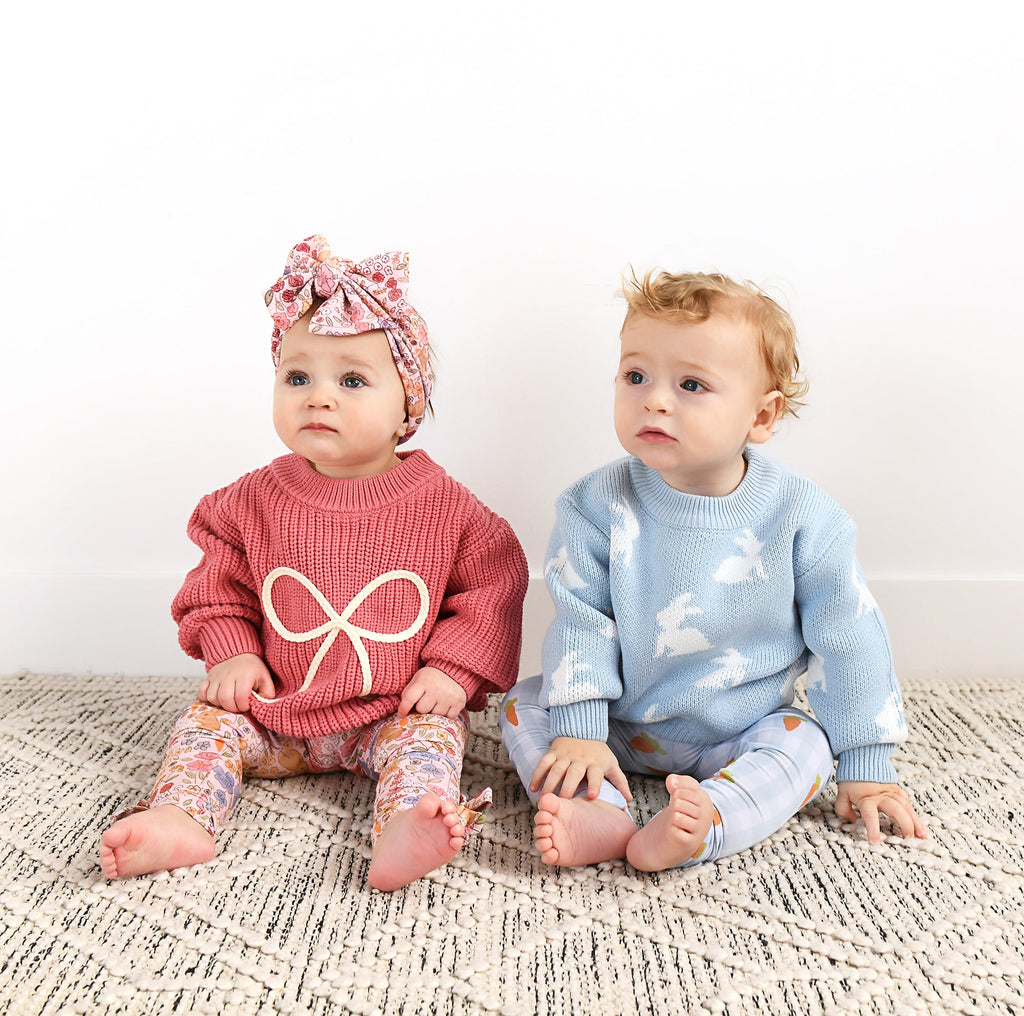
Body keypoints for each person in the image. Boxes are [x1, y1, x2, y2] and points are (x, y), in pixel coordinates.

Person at [100, 235, 528, 891]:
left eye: (351, 381)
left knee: (431, 741)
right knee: (204, 725)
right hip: (273, 710)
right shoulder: (252, 500)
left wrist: (453, 668)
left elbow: (493, 586)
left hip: (390, 712)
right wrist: (233, 652)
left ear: (407, 408)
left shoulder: (448, 508)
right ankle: (181, 816)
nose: (318, 397)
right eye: (297, 377)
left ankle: (405, 828)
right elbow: (218, 587)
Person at [499, 268, 927, 872]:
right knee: (526, 704)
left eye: (692, 384)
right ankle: (598, 807)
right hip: (618, 722)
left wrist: (866, 763)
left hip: (741, 728)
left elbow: (848, 636)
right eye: (635, 376)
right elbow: (582, 622)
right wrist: (582, 732)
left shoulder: (804, 517)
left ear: (761, 417)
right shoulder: (594, 505)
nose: (654, 399)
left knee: (806, 743)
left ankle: (708, 821)